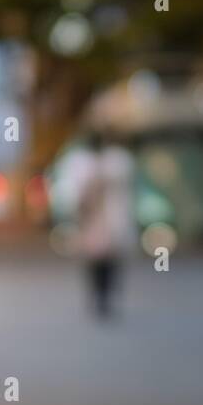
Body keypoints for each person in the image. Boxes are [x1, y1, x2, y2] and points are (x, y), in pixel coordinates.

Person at [72, 130, 136, 320]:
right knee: (100, 262)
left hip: (106, 222)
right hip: (98, 223)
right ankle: (101, 297)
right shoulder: (99, 165)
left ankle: (103, 296)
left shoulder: (114, 164)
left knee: (104, 262)